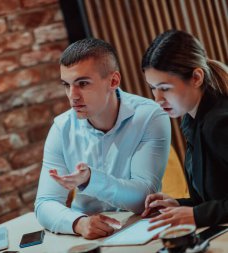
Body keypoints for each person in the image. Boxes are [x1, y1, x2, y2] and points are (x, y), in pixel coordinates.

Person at [34, 38, 171, 239]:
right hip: (88, 236)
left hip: (141, 231)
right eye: (67, 85)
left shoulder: (150, 116)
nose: (73, 96)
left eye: (82, 83)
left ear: (114, 81)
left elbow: (144, 198)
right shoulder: (61, 128)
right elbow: (45, 203)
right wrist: (78, 223)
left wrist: (91, 179)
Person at [141, 30, 228, 230]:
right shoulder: (192, 120)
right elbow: (216, 198)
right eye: (153, 87)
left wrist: (197, 215)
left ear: (196, 77)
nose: (158, 99)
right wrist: (179, 205)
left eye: (165, 87)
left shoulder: (220, 123)